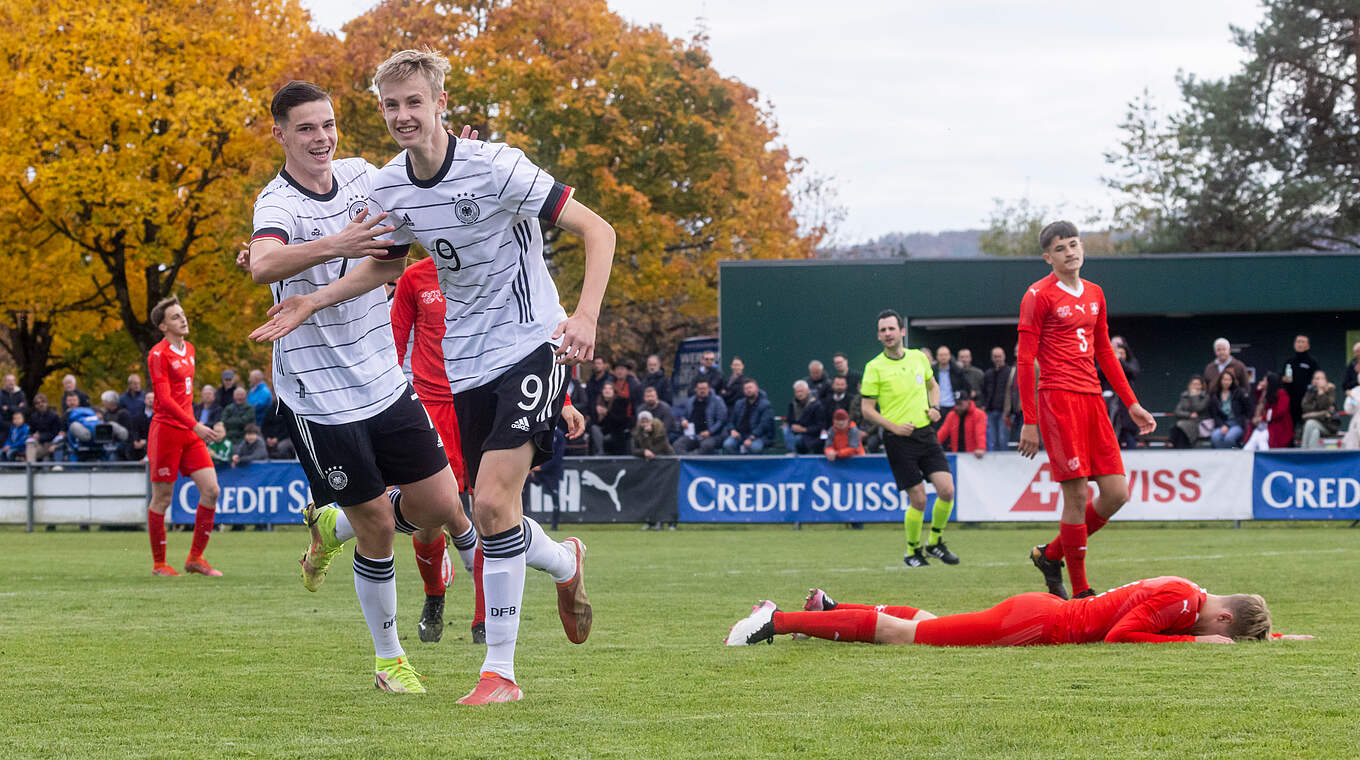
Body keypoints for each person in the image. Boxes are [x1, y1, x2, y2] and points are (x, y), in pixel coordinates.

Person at [255, 56, 612, 704]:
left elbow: (598, 229)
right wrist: (312, 301)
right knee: (482, 511)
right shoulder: (391, 189)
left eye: (413, 103)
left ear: (439, 101)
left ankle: (499, 674)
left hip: (536, 341)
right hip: (466, 362)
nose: (402, 117)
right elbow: (382, 270)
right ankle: (565, 562)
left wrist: (584, 317)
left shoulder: (497, 165)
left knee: (492, 505)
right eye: (391, 106)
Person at [246, 80, 472, 695]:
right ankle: (389, 661)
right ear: (281, 134)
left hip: (383, 378)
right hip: (318, 398)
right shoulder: (278, 204)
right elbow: (263, 261)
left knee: (440, 508)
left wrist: (460, 160)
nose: (321, 138)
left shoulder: (362, 176)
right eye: (305, 129)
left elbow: (397, 251)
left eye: (327, 124)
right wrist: (337, 243)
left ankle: (330, 527)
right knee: (377, 523)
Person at [1018, 221, 1156, 600]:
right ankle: (1081, 592)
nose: (1070, 252)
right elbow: (1025, 358)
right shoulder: (1038, 295)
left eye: (1074, 245)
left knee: (1116, 493)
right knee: (1076, 495)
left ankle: (1051, 555)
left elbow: (1105, 352)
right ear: (1048, 257)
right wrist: (1029, 420)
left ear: (1083, 248)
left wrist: (1132, 403)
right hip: (1058, 400)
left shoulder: (1095, 293)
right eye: (1061, 248)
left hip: (1093, 399)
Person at [724, 577, 1310, 647]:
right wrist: (1195, 644)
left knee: (924, 620)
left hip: (1043, 613)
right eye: (1217, 633)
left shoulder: (1195, 594)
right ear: (1222, 620)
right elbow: (1122, 638)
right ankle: (776, 621)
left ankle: (831, 608)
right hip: (1040, 624)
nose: (1208, 635)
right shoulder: (1185, 606)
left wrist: (1280, 637)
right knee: (908, 636)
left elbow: (1224, 626)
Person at [860, 310, 958, 567]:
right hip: (897, 439)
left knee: (947, 490)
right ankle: (911, 552)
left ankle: (935, 542)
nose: (887, 334)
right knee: (919, 499)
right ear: (879, 335)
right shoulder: (874, 367)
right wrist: (893, 427)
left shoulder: (918, 358)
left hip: (925, 433)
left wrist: (935, 407)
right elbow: (866, 409)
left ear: (902, 331)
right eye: (883, 330)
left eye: (891, 329)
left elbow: (933, 385)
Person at [144, 296, 225, 577]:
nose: (183, 319)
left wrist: (193, 426)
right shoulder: (158, 354)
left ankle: (195, 558)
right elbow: (165, 400)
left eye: (182, 314)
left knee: (211, 490)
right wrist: (196, 425)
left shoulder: (189, 349)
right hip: (167, 431)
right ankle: (159, 564)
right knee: (162, 498)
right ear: (163, 325)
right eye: (176, 317)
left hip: (189, 432)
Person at [722, 379, 774, 454]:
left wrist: (751, 437)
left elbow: (764, 425)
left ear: (757, 389)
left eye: (750, 387)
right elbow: (731, 420)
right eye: (746, 388)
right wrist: (732, 430)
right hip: (740, 435)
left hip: (758, 436)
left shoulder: (765, 405)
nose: (748, 390)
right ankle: (738, 463)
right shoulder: (739, 403)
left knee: (754, 448)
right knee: (728, 444)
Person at [674, 379, 726, 455]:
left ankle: (692, 460)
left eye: (704, 388)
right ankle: (688, 462)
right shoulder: (690, 401)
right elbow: (684, 416)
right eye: (700, 389)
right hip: (693, 434)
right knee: (677, 445)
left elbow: (721, 420)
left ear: (709, 389)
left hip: (712, 435)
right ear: (696, 390)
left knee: (706, 445)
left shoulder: (717, 401)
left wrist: (710, 432)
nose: (702, 391)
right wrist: (684, 420)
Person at [1281, 335, 1319, 434]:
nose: (1300, 344)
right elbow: (1282, 378)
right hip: (1291, 403)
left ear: (1308, 346)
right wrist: (1283, 379)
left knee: (1307, 428)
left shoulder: (1312, 362)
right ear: (1294, 344)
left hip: (1307, 402)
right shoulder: (1289, 362)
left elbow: (1317, 379)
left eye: (1303, 342)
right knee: (1289, 430)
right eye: (1298, 342)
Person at [1244, 373, 1292, 451]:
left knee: (1262, 439)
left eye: (1265, 381)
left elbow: (1279, 412)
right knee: (1253, 440)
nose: (1262, 382)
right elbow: (1260, 406)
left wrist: (1262, 418)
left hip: (1278, 426)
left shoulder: (1281, 394)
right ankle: (1245, 459)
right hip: (1264, 425)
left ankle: (1266, 461)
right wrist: (1259, 392)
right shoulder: (1265, 393)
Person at [979, 347, 1013, 451]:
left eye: (999, 356)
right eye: (995, 356)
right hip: (990, 411)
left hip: (1005, 412)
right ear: (992, 358)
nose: (997, 358)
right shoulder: (988, 373)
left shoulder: (1010, 372)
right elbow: (983, 391)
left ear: (1004, 356)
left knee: (1003, 439)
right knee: (992, 441)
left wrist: (1009, 409)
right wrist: (983, 406)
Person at [1209, 370, 1253, 448]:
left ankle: (1235, 455)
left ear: (1232, 381)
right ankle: (1222, 457)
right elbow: (1215, 415)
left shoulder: (1239, 392)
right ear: (1220, 381)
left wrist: (1247, 421)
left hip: (1237, 424)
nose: (1227, 382)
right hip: (1222, 424)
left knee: (1229, 438)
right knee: (1215, 437)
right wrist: (1222, 425)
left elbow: (1248, 409)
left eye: (1229, 379)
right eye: (1224, 379)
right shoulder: (1215, 395)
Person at [936, 391, 986, 459]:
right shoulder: (952, 415)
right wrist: (931, 446)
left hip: (973, 456)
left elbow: (980, 434)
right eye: (956, 404)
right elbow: (942, 433)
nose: (957, 407)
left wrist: (981, 448)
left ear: (967, 401)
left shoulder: (978, 414)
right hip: (957, 455)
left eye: (960, 404)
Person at [1299, 370, 1339, 449]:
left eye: (1319, 379)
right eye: (1315, 379)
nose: (1316, 381)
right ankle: (1312, 457)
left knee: (1310, 423)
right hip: (1314, 426)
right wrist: (1320, 413)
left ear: (1325, 380)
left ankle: (1303, 452)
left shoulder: (1330, 390)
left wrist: (1321, 392)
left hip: (1328, 425)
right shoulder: (1311, 391)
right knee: (1315, 432)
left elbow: (1325, 407)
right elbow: (1305, 407)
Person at [590, 381, 633, 455]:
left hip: (616, 432)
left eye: (610, 389)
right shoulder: (597, 403)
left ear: (614, 391)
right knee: (594, 428)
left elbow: (621, 421)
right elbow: (593, 423)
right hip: (602, 432)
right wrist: (597, 415)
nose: (607, 391)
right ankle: (601, 452)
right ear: (602, 391)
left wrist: (607, 413)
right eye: (605, 389)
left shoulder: (620, 402)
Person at [782, 380, 825, 454]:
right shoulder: (792, 405)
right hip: (795, 432)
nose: (799, 394)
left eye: (801, 391)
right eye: (797, 392)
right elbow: (790, 421)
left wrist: (803, 429)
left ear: (808, 391)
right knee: (785, 430)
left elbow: (820, 426)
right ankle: (792, 452)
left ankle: (793, 453)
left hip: (809, 435)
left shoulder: (817, 405)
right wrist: (789, 425)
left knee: (798, 439)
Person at [1169, 376, 1211, 449]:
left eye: (1198, 384)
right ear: (1190, 385)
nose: (1196, 386)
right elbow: (1177, 411)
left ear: (1202, 386)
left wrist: (1194, 396)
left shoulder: (1205, 396)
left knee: (1180, 428)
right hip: (1185, 422)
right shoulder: (1185, 395)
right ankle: (1175, 448)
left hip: (1199, 423)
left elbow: (1199, 408)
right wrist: (1189, 415)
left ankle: (1179, 449)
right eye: (1194, 384)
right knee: (1177, 427)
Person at [24, 393, 63, 463]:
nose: (40, 404)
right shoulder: (33, 417)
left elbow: (56, 433)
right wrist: (31, 435)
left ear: (46, 403)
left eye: (43, 402)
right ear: (35, 405)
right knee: (29, 442)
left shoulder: (54, 416)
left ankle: (29, 464)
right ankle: (30, 466)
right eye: (37, 403)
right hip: (39, 445)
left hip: (51, 444)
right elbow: (31, 431)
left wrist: (41, 436)